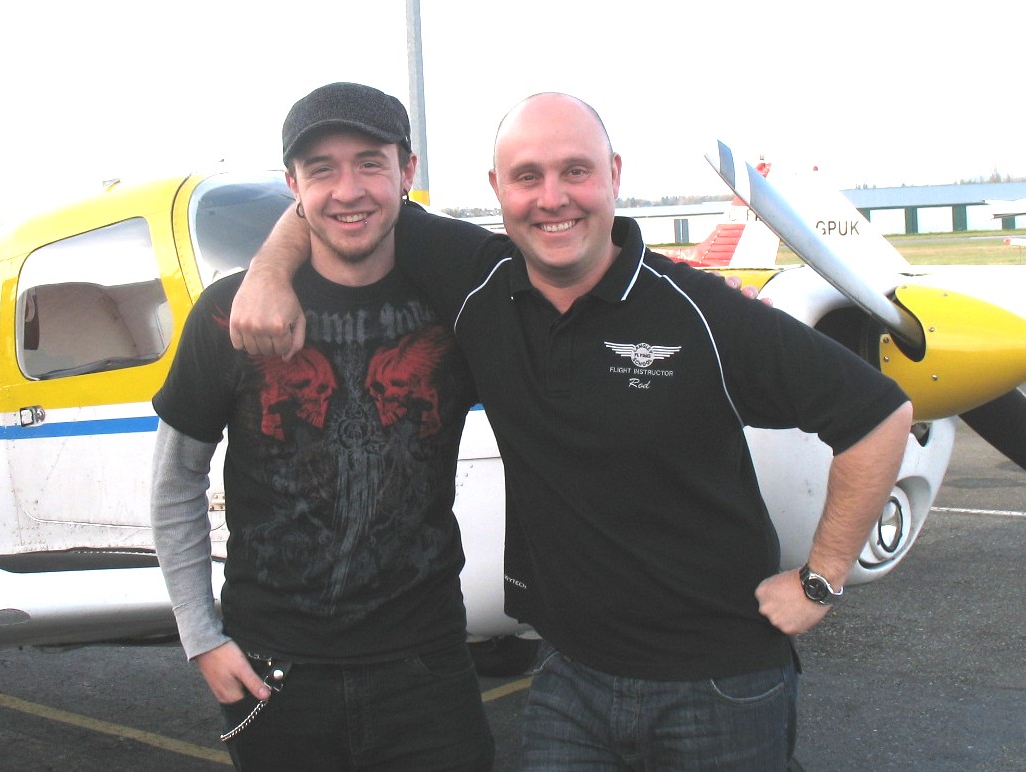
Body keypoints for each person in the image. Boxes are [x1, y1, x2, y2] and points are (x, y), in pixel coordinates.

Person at [230, 92, 913, 770]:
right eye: (527, 177)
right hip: (569, 677)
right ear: (498, 189)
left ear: (614, 175)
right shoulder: (474, 281)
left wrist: (820, 580)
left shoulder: (699, 312)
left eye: (575, 172)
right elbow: (343, 199)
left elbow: (878, 416)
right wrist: (265, 273)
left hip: (717, 684)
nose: (551, 197)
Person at [150, 82, 494, 771]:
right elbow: (175, 481)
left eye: (369, 162)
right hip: (273, 669)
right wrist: (200, 637)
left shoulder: (459, 306)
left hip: (424, 666)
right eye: (321, 169)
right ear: (292, 185)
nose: (348, 190)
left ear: (407, 171)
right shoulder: (229, 314)